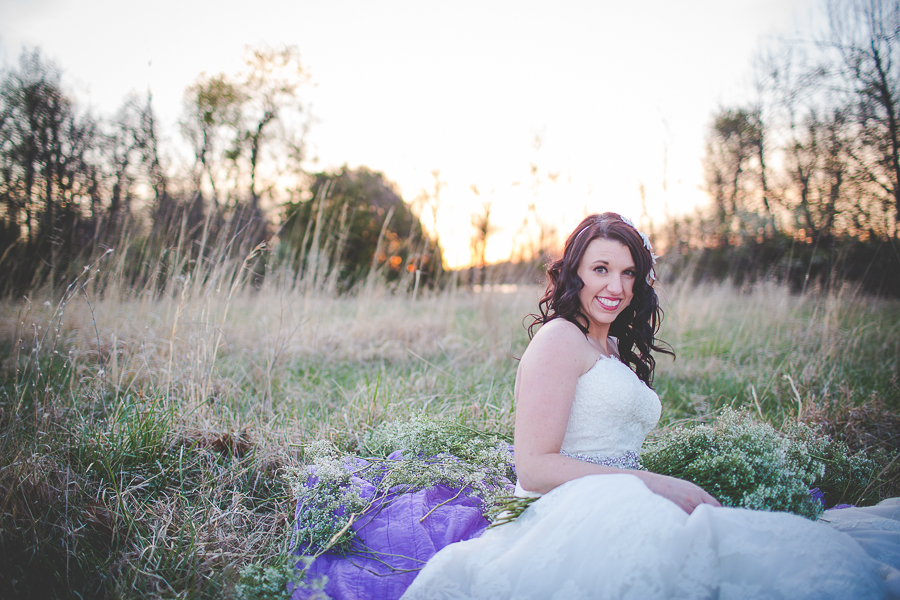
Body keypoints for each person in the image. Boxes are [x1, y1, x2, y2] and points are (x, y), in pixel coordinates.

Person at [400, 212, 900, 600]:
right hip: (569, 507)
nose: (615, 288)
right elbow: (532, 466)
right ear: (574, 271)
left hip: (619, 495)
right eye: (600, 270)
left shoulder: (611, 347)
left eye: (627, 273)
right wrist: (656, 485)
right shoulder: (559, 339)